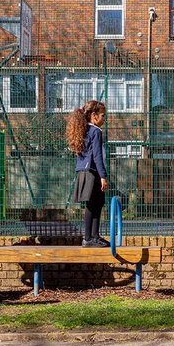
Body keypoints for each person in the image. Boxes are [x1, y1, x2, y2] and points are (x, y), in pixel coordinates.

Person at [66, 100, 109, 248]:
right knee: (93, 205)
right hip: (92, 172)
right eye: (103, 115)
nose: (104, 119)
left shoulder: (85, 131)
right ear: (94, 115)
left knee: (96, 204)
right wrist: (103, 176)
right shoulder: (96, 131)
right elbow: (97, 156)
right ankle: (88, 238)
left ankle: (94, 236)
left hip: (84, 171)